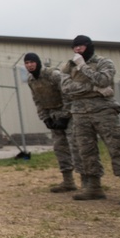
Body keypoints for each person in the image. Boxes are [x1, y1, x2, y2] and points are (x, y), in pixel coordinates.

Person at [61, 35, 120, 204]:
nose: (78, 50)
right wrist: (94, 87)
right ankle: (94, 187)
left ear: (89, 46)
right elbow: (66, 88)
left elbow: (104, 80)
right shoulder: (68, 66)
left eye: (81, 46)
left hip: (103, 111)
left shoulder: (104, 62)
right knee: (86, 151)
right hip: (80, 113)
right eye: (75, 47)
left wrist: (84, 67)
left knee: (117, 147)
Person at [24, 52, 81, 192]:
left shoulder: (53, 74)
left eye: (32, 62)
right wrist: (45, 118)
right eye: (27, 63)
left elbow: (67, 93)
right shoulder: (31, 80)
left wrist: (65, 115)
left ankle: (87, 181)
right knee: (60, 148)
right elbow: (37, 100)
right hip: (52, 114)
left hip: (67, 114)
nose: (29, 65)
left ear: (37, 62)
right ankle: (68, 181)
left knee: (76, 146)